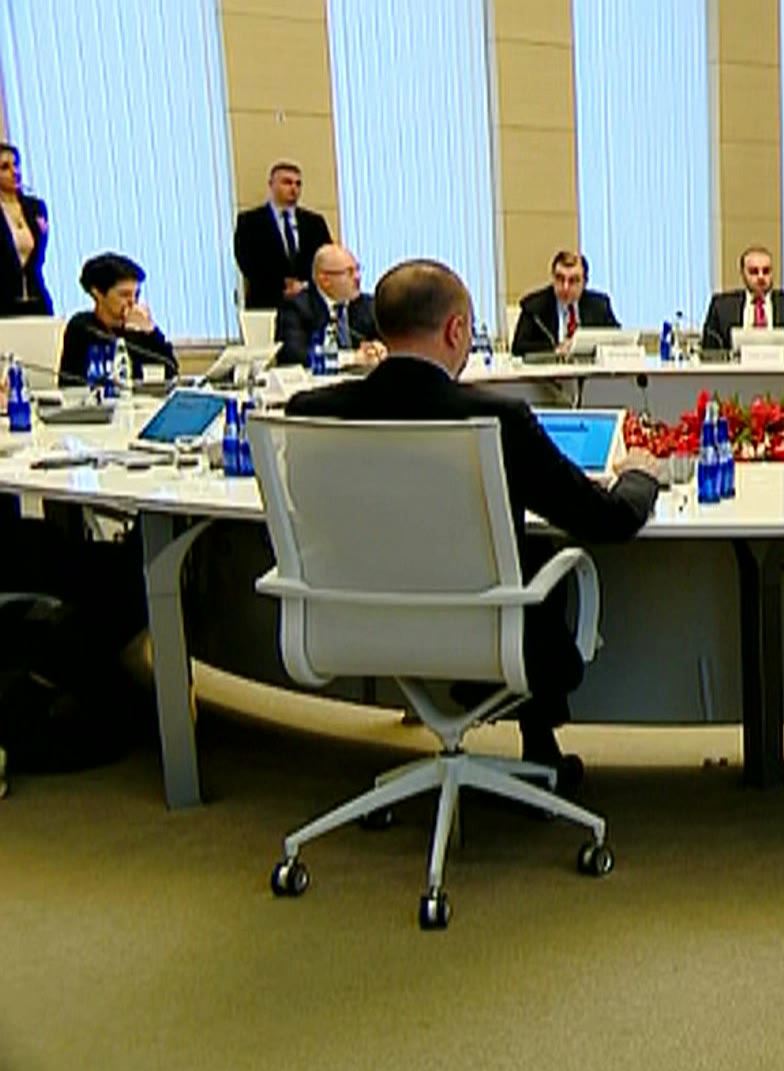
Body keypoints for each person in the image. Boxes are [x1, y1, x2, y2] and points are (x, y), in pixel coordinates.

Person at [285, 259, 666, 788]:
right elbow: (605, 520)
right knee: (536, 558)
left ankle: (535, 744)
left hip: (360, 628)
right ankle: (539, 747)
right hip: (482, 633)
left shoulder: (310, 410)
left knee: (522, 555)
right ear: (456, 329)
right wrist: (640, 476)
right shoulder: (499, 418)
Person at [58, 253, 177, 386]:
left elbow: (171, 370)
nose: (132, 302)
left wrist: (151, 332)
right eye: (124, 295)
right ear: (97, 293)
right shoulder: (82, 327)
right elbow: (69, 382)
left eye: (136, 295)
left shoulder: (139, 327)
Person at [234, 161, 333, 310]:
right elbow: (247, 262)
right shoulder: (250, 221)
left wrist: (304, 285)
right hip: (266, 302)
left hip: (309, 305)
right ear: (271, 185)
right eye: (287, 182)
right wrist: (282, 285)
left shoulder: (314, 223)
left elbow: (326, 260)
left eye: (298, 184)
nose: (293, 188)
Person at [272, 243, 384, 367]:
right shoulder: (297, 307)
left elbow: (390, 340)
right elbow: (292, 354)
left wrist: (379, 349)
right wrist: (350, 358)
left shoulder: (368, 305)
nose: (358, 277)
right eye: (349, 272)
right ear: (325, 280)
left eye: (357, 269)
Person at [700, 245, 784, 355]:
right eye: (754, 272)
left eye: (766, 271)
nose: (761, 277)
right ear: (742, 273)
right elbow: (709, 353)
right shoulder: (721, 307)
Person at [510, 249, 618, 357]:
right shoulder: (534, 307)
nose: (565, 287)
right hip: (550, 367)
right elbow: (518, 348)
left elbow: (617, 340)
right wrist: (555, 349)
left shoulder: (599, 306)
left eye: (573, 280)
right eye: (560, 279)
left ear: (584, 282)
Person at [0, 144, 52, 316]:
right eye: (5, 167)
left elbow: (38, 255)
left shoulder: (35, 207)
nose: (14, 172)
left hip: (36, 295)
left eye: (16, 165)